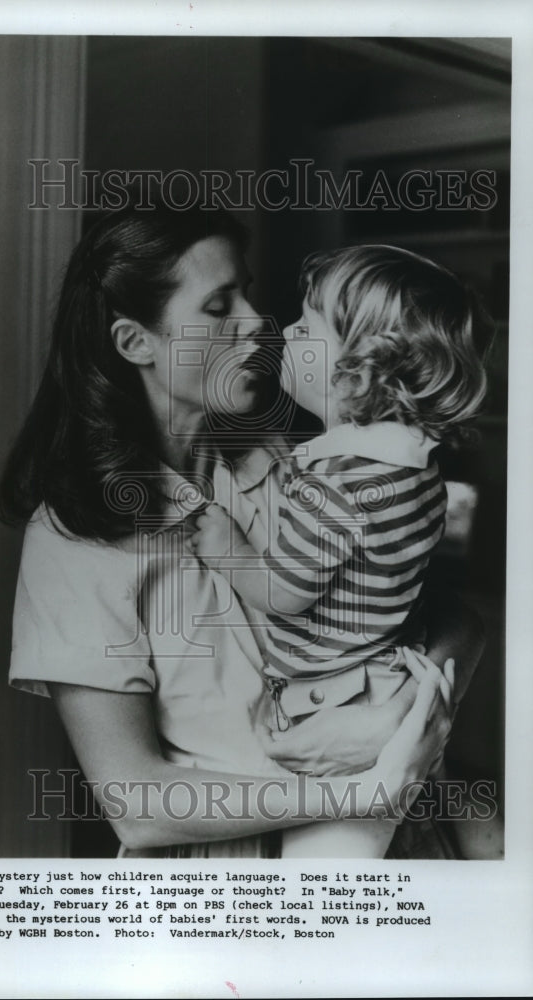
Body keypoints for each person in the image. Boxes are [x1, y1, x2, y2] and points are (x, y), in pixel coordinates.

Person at [0, 204, 468, 858]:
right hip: (229, 883)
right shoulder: (73, 537)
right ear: (136, 342)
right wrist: (368, 787)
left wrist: (399, 721)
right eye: (219, 307)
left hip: (394, 841)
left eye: (245, 292)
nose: (258, 322)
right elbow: (136, 806)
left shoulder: (297, 461)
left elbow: (459, 617)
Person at [190, 245, 488, 857]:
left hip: (340, 704)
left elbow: (287, 592)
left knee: (325, 889)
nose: (284, 330)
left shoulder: (339, 481)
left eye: (305, 326)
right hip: (376, 683)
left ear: (356, 370)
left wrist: (228, 549)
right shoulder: (412, 468)